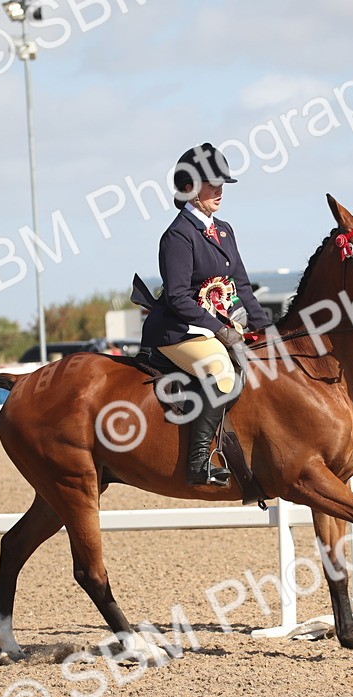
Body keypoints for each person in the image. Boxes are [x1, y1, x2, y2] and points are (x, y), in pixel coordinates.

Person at [140, 143, 271, 486]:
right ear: (189, 188)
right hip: (178, 332)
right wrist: (220, 329)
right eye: (211, 183)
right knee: (221, 371)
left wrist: (269, 329)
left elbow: (241, 285)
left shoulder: (224, 230)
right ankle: (198, 462)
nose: (219, 190)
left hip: (213, 328)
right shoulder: (178, 236)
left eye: (221, 183)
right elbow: (178, 297)